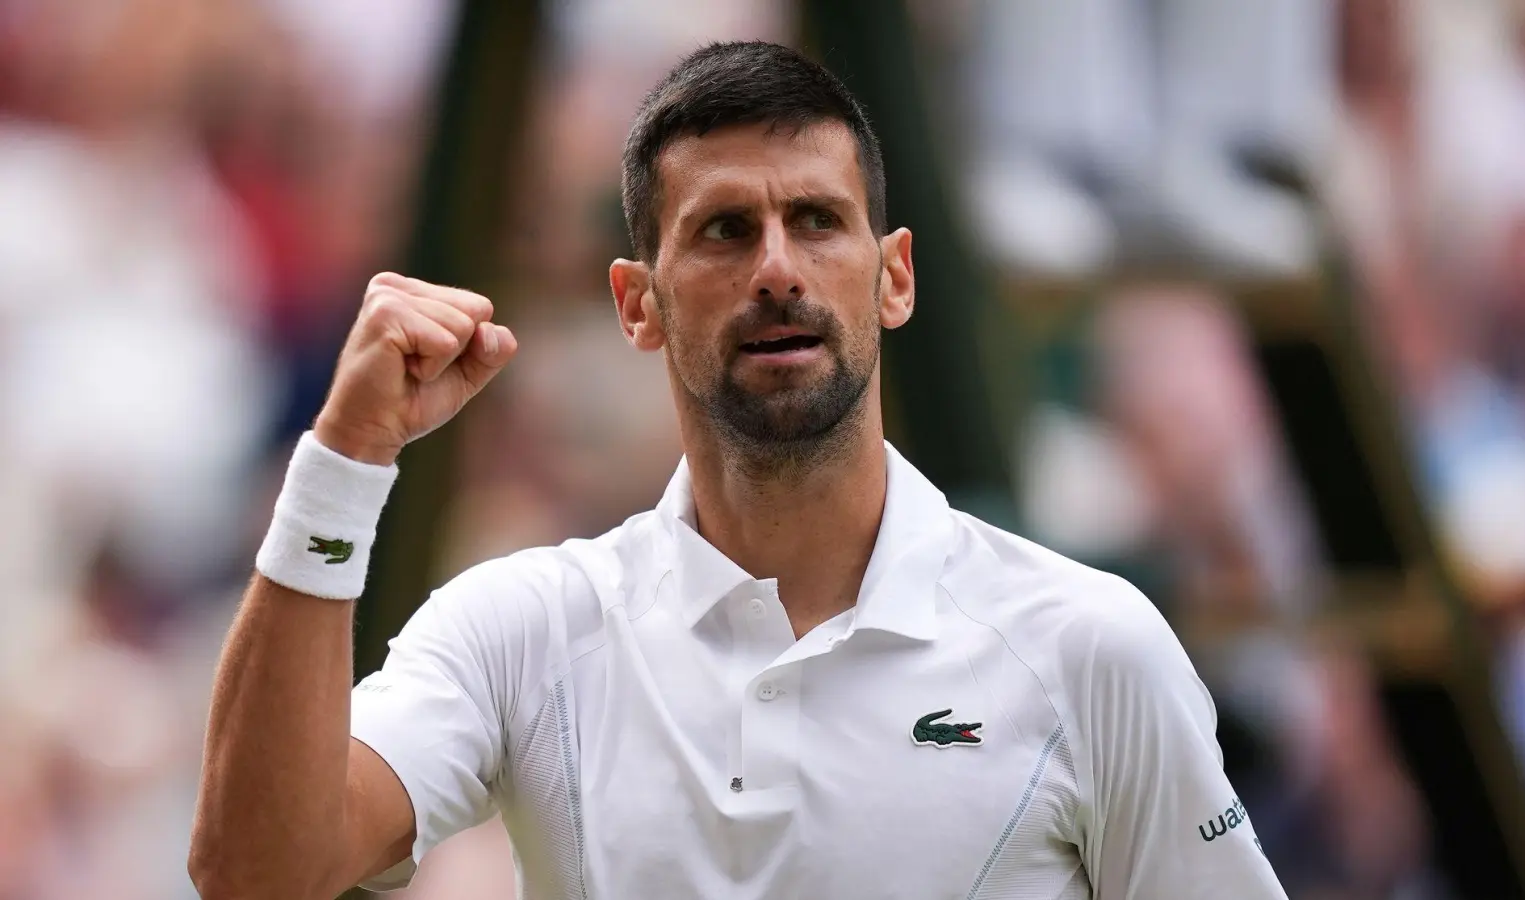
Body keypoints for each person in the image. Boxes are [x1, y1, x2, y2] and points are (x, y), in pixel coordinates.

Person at [189, 41, 1287, 899]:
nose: (776, 268)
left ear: (892, 278)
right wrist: (341, 460)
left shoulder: (1091, 648)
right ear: (636, 303)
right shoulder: (522, 630)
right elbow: (256, 874)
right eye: (722, 230)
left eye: (816, 221)